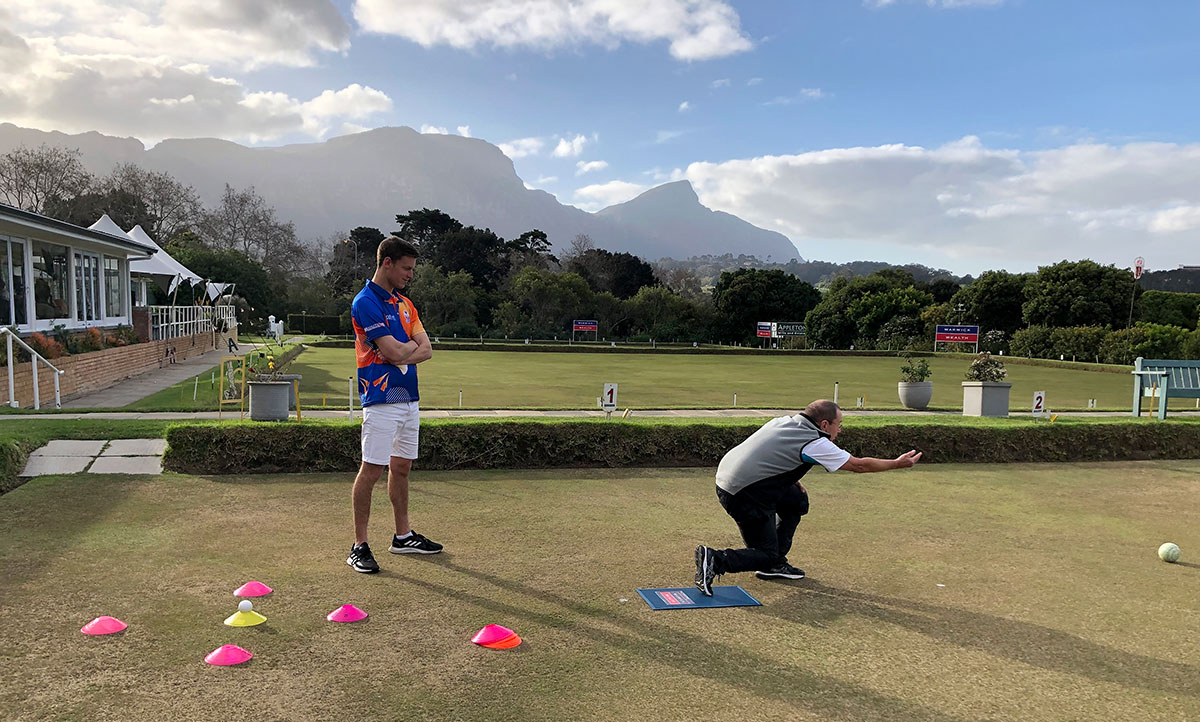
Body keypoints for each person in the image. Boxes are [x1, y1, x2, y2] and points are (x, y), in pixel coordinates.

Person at [694, 399, 921, 596]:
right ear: (824, 425)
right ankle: (716, 560)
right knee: (765, 554)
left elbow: (769, 452)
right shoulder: (815, 442)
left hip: (733, 478)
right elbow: (858, 465)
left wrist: (787, 478)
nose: (839, 431)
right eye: (838, 425)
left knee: (796, 500)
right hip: (743, 492)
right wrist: (897, 463)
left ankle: (774, 564)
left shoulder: (785, 421)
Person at [346, 236, 440, 573]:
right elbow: (399, 351)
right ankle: (359, 545)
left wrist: (401, 354)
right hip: (380, 398)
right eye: (406, 268)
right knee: (371, 469)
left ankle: (402, 537)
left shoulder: (406, 304)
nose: (410, 275)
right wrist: (402, 353)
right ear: (387, 263)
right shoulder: (365, 302)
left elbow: (425, 349)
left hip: (409, 398)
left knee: (401, 468)